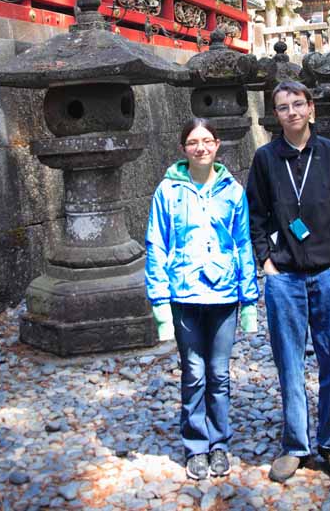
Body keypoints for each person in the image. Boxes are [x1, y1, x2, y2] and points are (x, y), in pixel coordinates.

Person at [246, 81, 330, 484]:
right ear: (274, 115)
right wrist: (265, 261)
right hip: (284, 277)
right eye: (282, 107)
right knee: (289, 362)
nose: (291, 112)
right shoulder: (265, 158)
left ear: (310, 108)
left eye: (298, 104)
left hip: (328, 274)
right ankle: (295, 444)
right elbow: (255, 214)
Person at [145, 118, 259, 480]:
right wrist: (160, 306)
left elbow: (243, 244)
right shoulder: (167, 191)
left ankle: (220, 443)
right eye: (193, 142)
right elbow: (157, 246)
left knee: (219, 373)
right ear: (183, 149)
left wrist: (250, 302)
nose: (201, 147)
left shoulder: (232, 190)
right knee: (193, 373)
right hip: (184, 294)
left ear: (217, 145)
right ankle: (196, 444)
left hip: (224, 295)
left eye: (207, 141)